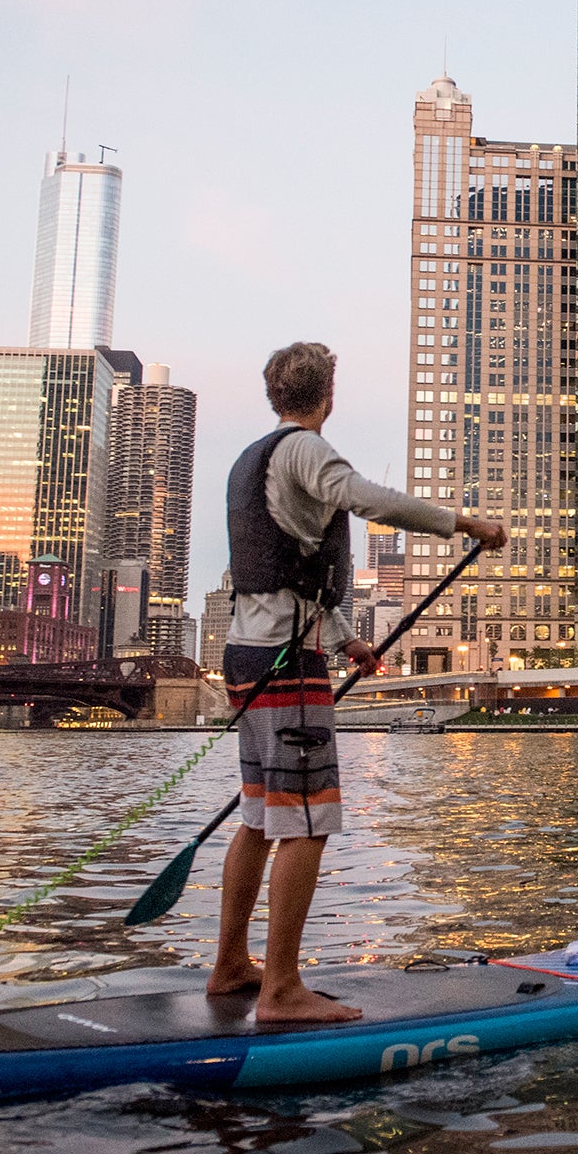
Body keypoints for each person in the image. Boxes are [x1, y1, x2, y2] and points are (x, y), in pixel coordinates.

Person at [207, 342, 506, 1022]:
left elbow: (287, 571)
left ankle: (229, 966)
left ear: (272, 393)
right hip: (287, 665)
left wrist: (347, 640)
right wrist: (466, 524)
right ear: (328, 395)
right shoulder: (306, 451)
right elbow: (367, 499)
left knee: (257, 816)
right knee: (306, 821)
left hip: (249, 656)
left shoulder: (247, 462)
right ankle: (281, 990)